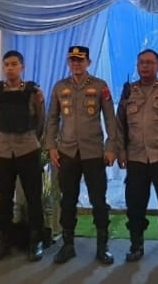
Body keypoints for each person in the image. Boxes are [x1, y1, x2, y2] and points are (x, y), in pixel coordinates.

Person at [44, 45, 120, 265]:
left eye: (80, 60)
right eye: (73, 60)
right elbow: (52, 118)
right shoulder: (60, 87)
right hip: (67, 152)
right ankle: (68, 245)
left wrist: (111, 147)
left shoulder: (100, 86)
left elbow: (110, 119)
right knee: (67, 200)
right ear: (68, 62)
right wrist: (51, 146)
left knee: (98, 200)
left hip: (93, 151)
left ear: (89, 62)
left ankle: (102, 246)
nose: (76, 64)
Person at [116, 49, 158, 264]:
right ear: (137, 66)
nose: (145, 66)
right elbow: (120, 125)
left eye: (150, 63)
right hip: (136, 157)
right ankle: (136, 245)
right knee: (135, 205)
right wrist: (121, 151)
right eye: (141, 63)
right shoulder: (129, 91)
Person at [0, 50, 46, 262]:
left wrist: (31, 137)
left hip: (28, 147)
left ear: (22, 67)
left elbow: (40, 120)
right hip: (4, 149)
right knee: (4, 198)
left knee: (33, 197)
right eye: (7, 64)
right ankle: (5, 240)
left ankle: (36, 240)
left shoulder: (33, 92)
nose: (10, 68)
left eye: (14, 64)